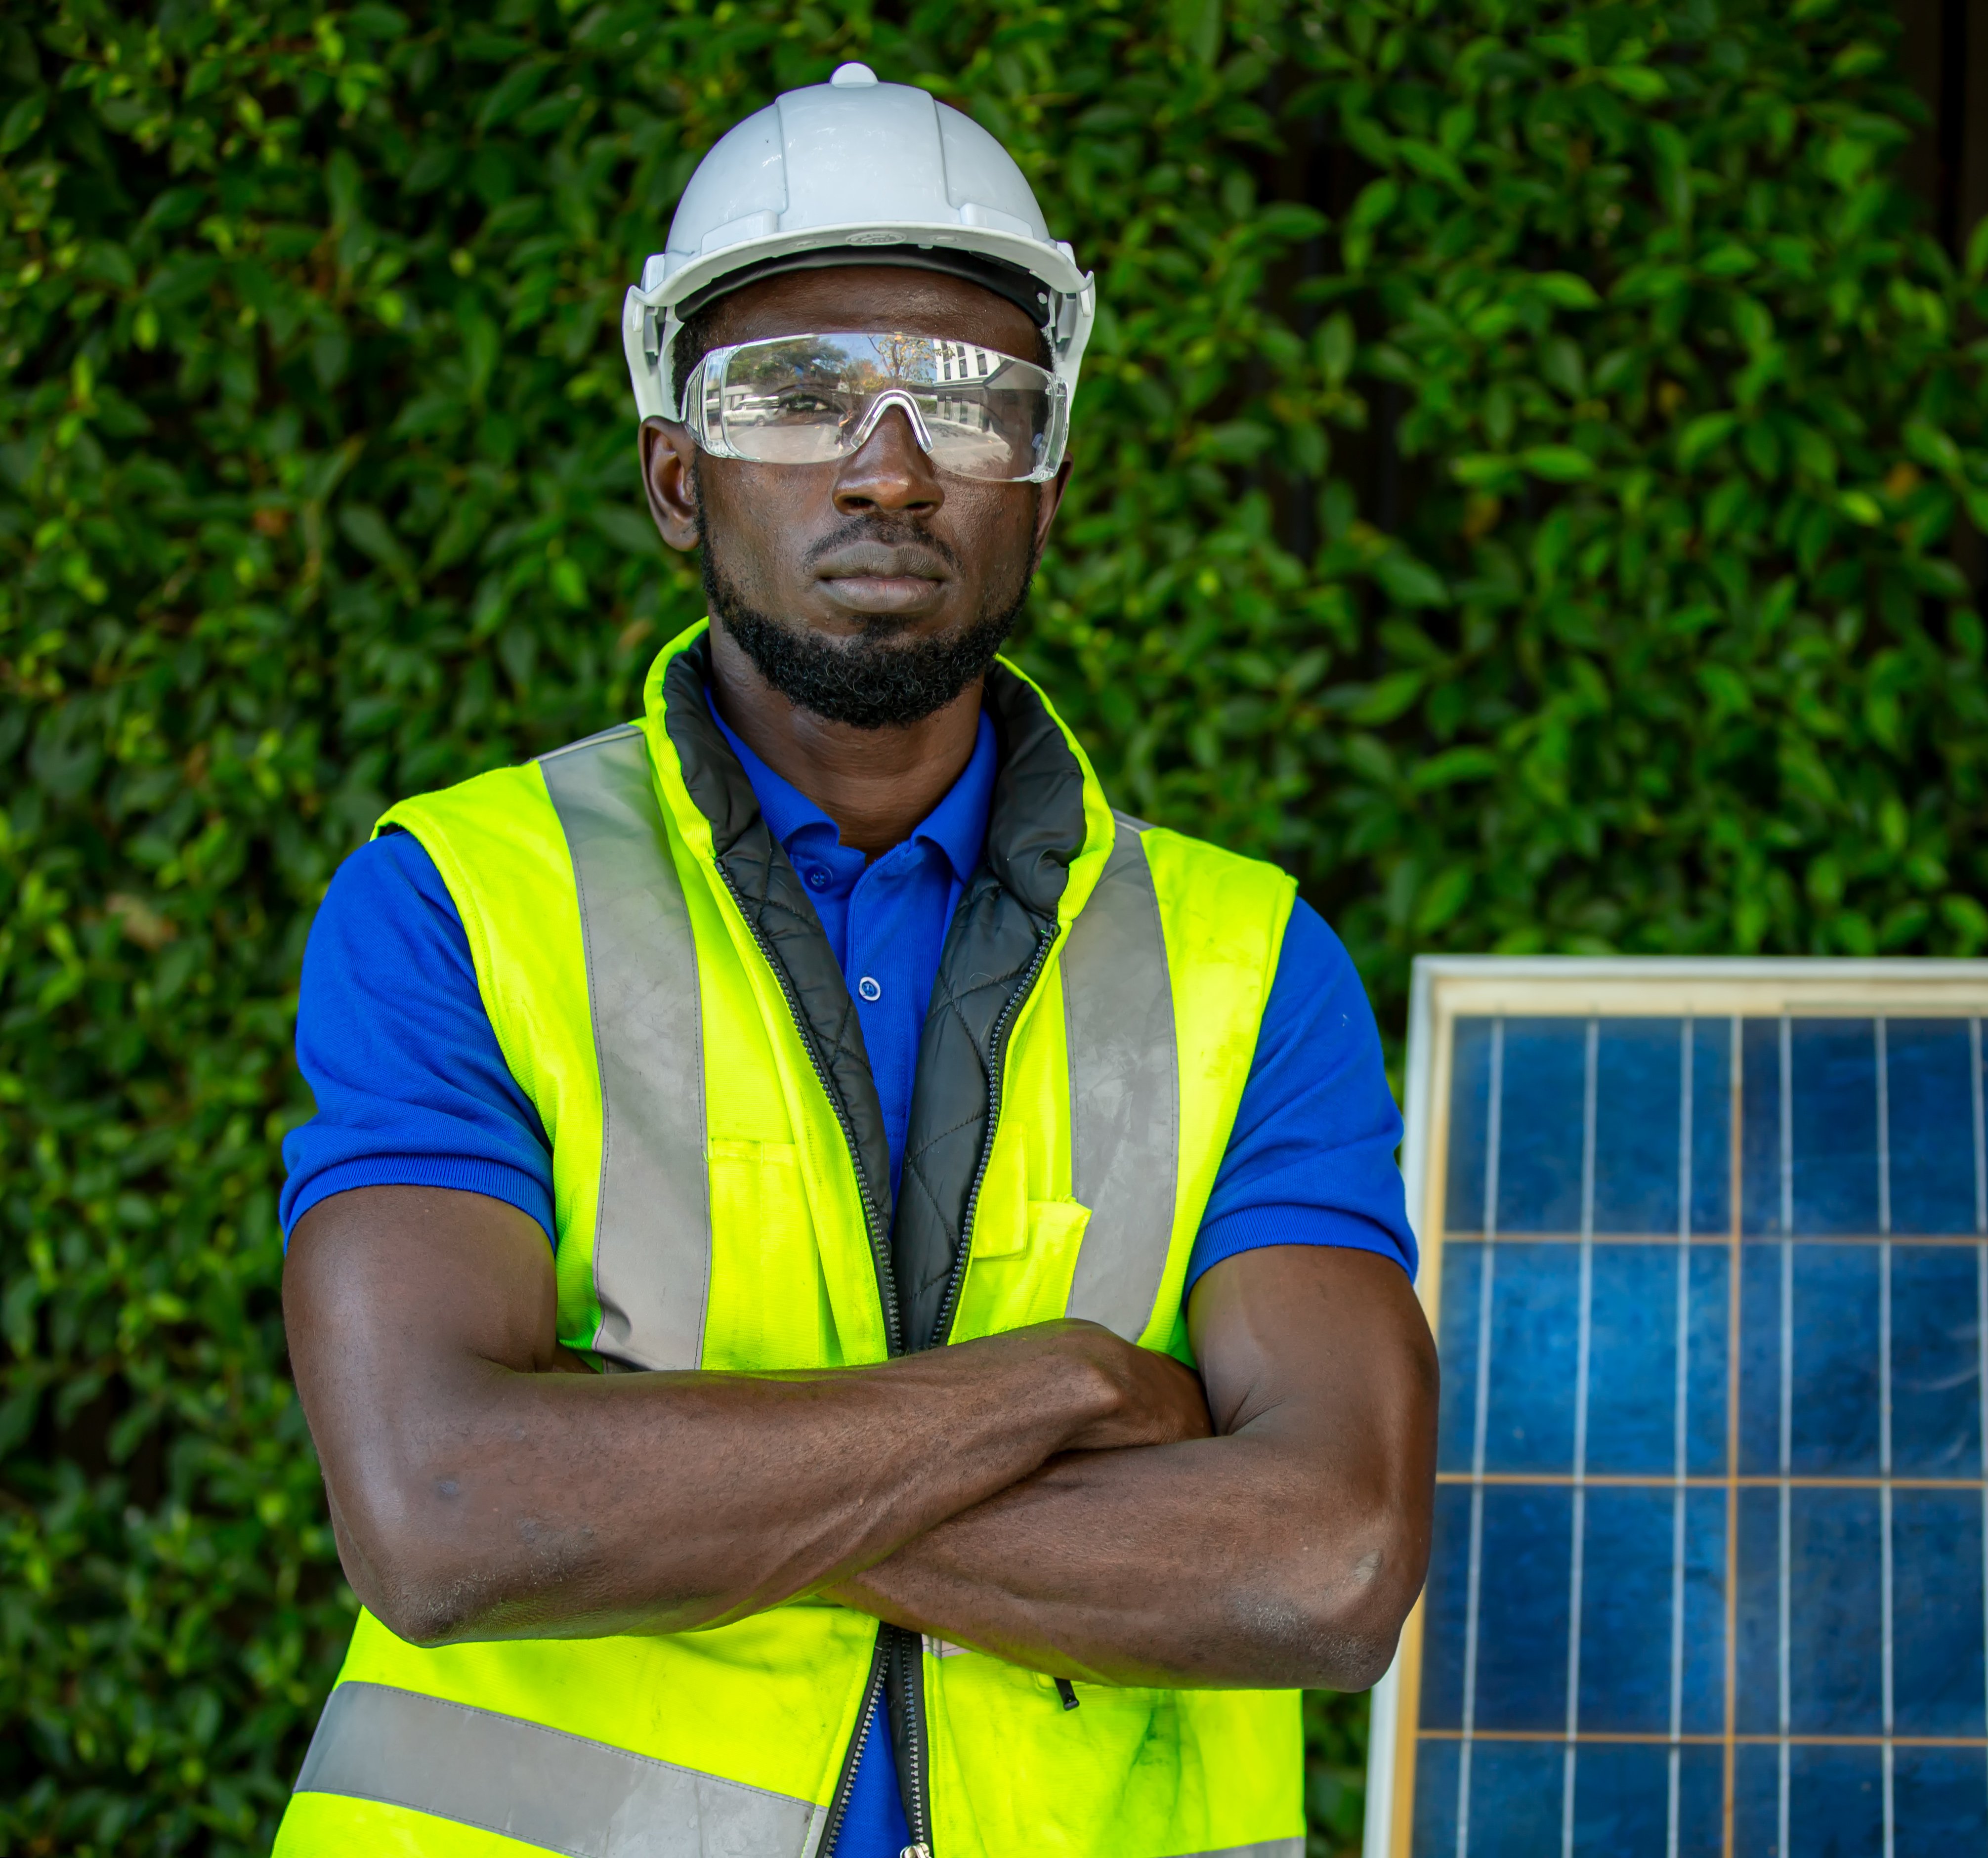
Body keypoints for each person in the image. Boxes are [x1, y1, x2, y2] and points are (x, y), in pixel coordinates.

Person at [272, 63, 1435, 1858]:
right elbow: (442, 1514)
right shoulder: (460, 900)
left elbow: (1328, 1565)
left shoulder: (1250, 960)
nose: (890, 465)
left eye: (972, 401)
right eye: (796, 392)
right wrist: (1060, 1388)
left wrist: (641, 1473)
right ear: (677, 473)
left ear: (1044, 488)